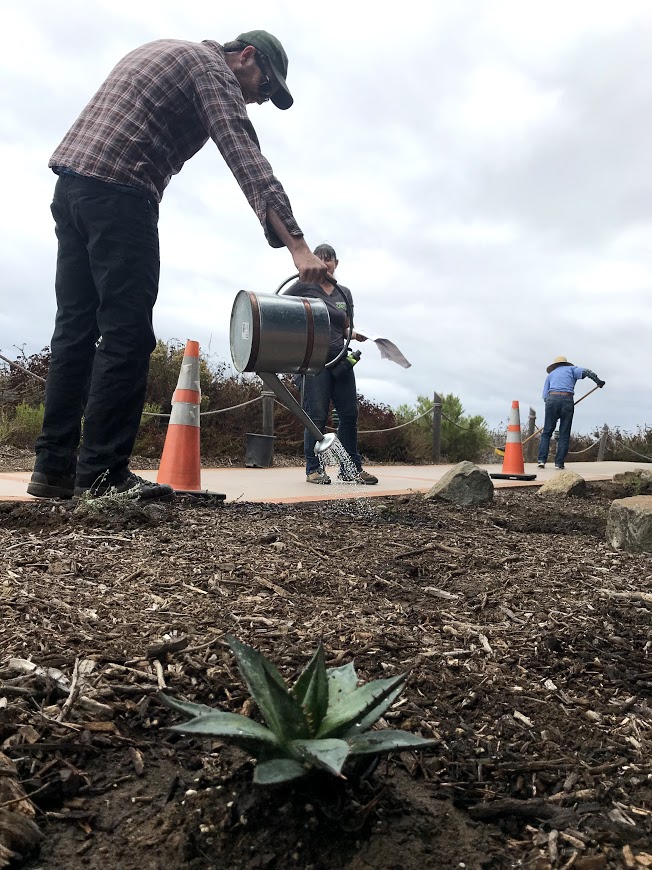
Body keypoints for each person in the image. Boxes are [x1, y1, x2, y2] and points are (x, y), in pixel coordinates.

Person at [27, 31, 327, 502]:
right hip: (121, 193)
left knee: (75, 330)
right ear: (245, 56)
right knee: (127, 333)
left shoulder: (163, 49)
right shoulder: (210, 69)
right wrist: (298, 246)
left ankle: (54, 467)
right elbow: (244, 153)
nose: (260, 100)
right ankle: (102, 473)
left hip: (72, 189)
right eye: (264, 87)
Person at [286, 244, 378, 485]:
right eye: (321, 259)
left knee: (349, 415)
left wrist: (356, 334)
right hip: (314, 361)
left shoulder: (344, 292)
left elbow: (345, 325)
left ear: (336, 263)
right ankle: (314, 469)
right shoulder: (303, 286)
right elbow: (280, 308)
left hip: (340, 359)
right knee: (315, 416)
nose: (325, 263)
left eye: (330, 259)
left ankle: (352, 469)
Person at [537, 356, 605, 470]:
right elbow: (587, 372)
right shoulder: (572, 369)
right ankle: (559, 463)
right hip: (567, 399)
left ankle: (541, 460)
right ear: (566, 363)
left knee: (547, 432)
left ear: (555, 365)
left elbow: (544, 396)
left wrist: (552, 410)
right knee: (564, 433)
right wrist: (599, 382)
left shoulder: (550, 375)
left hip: (551, 399)